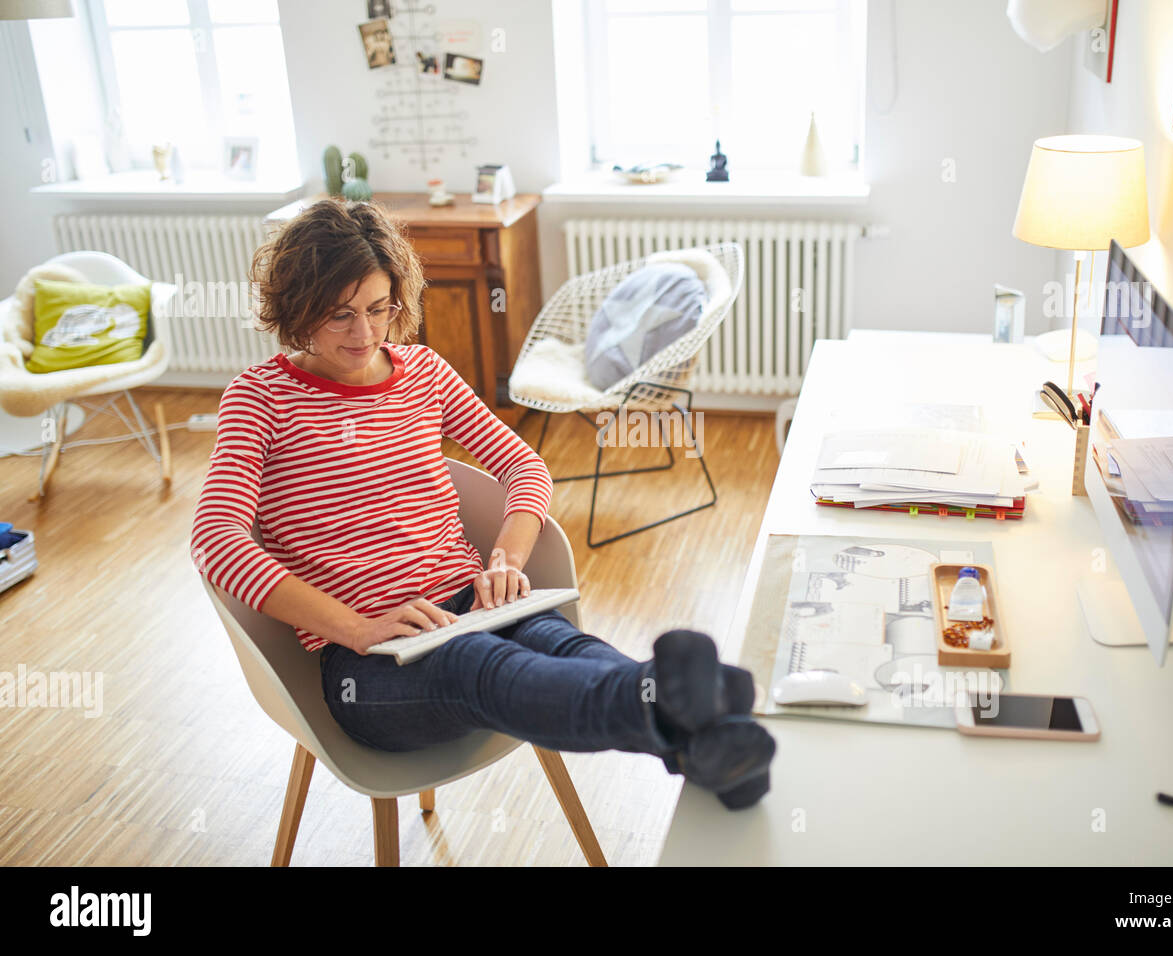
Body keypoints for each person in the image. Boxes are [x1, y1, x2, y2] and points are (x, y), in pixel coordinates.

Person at [190, 199, 775, 809]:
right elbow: (217, 540)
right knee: (479, 662)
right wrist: (356, 629)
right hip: (369, 667)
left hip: (477, 605)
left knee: (563, 645)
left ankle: (707, 748)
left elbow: (524, 466)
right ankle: (684, 708)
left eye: (377, 308)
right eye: (338, 316)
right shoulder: (260, 399)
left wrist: (506, 562)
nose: (364, 334)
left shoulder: (421, 372)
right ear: (296, 307)